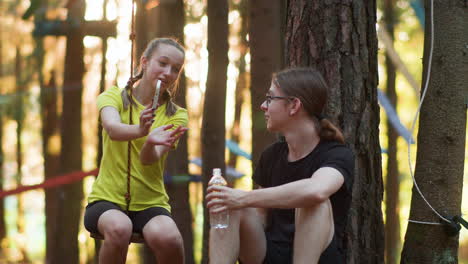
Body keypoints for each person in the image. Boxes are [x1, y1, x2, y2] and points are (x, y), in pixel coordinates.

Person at [206, 67, 355, 264]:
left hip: (317, 259)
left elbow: (317, 190)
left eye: (270, 98)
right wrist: (232, 203)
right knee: (232, 205)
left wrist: (243, 197)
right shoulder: (271, 156)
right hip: (270, 254)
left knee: (313, 202)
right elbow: (260, 219)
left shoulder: (337, 154)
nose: (262, 106)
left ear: (294, 105)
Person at [84, 38, 188, 264]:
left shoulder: (177, 115)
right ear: (144, 62)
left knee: (170, 238)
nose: (168, 72)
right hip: (106, 200)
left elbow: (149, 159)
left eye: (175, 69)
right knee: (120, 227)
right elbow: (112, 129)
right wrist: (141, 130)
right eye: (162, 63)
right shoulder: (112, 97)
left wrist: (150, 143)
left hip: (151, 202)